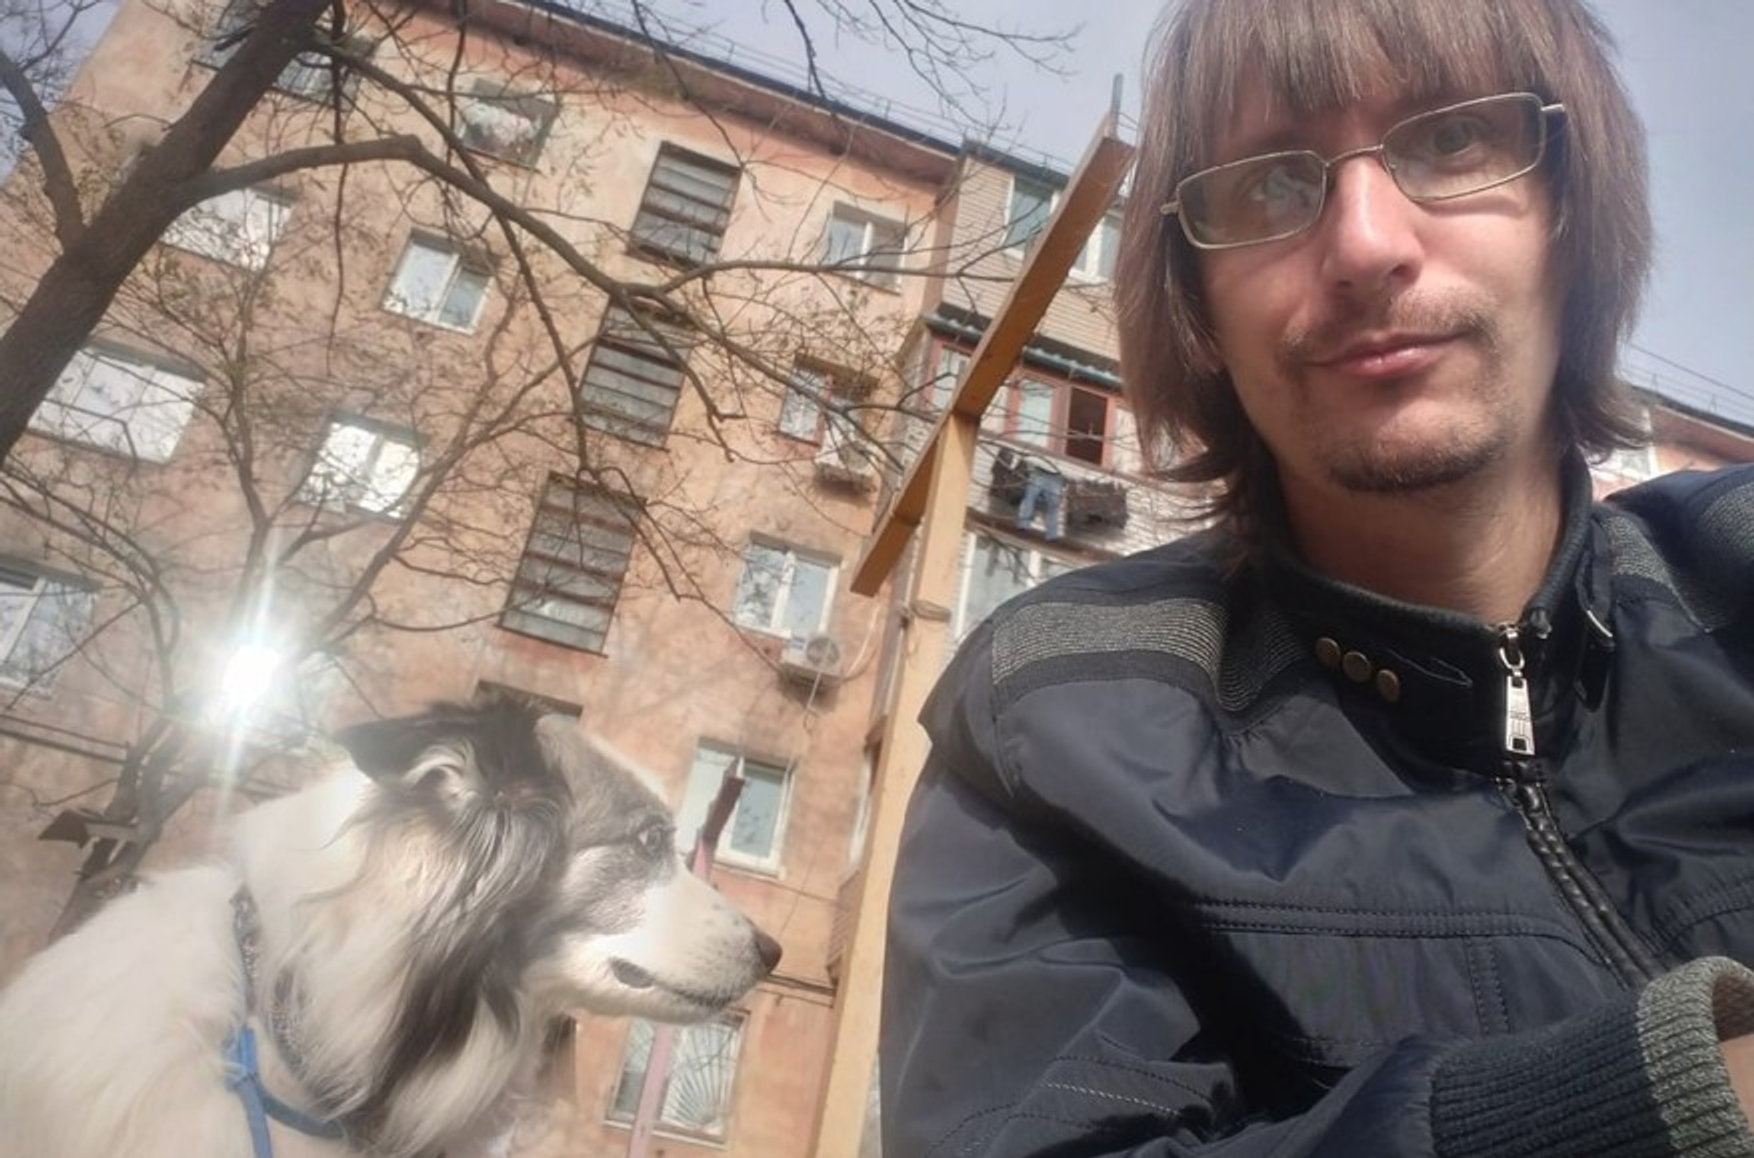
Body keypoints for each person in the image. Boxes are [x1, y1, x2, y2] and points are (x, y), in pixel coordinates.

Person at [880, 1, 1754, 1155]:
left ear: (1568, 209)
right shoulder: (1054, 720)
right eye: (1268, 185)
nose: (1361, 245)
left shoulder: (1733, 566)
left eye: (1450, 139)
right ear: (1197, 302)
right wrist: (1675, 1106)